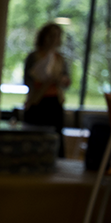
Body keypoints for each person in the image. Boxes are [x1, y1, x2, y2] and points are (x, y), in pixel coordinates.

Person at [23, 22, 71, 158]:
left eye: (57, 36)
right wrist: (41, 80)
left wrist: (61, 80)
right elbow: (27, 80)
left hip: (55, 102)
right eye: (52, 36)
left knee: (55, 135)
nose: (54, 39)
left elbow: (67, 80)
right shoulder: (34, 57)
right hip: (38, 101)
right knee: (35, 135)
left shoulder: (60, 58)